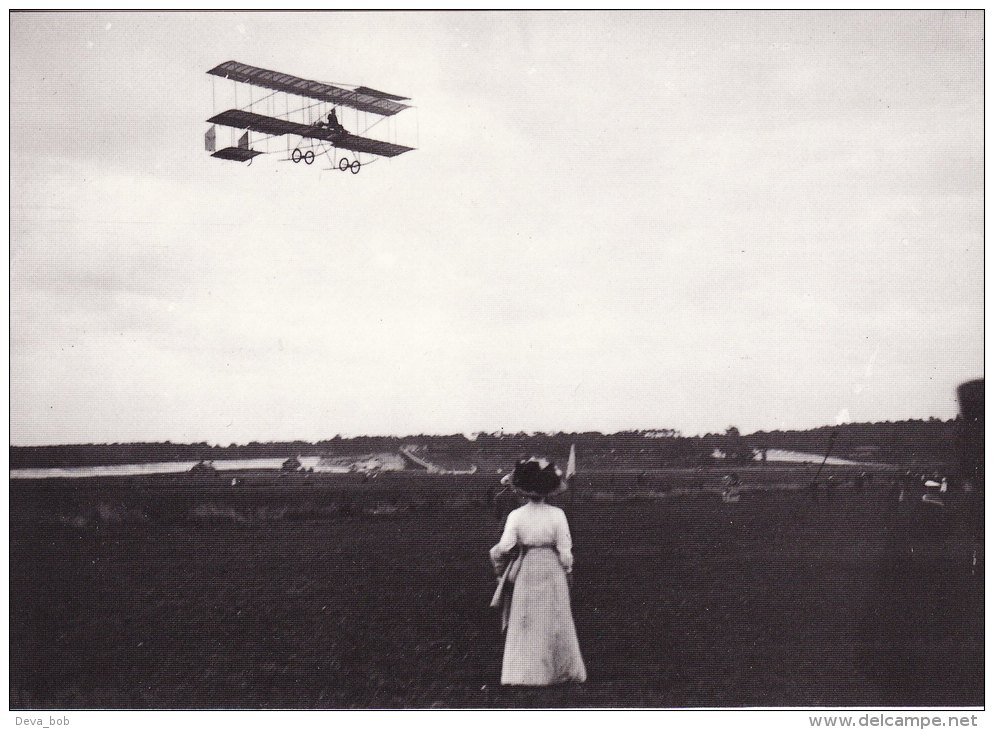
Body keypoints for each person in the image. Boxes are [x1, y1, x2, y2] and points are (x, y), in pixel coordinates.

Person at [489, 458, 587, 686]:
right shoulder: (557, 515)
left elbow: (504, 546)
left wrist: (510, 559)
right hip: (551, 566)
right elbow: (565, 549)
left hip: (528, 567)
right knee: (556, 617)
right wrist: (568, 569)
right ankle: (560, 671)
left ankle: (527, 673)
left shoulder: (516, 516)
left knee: (526, 620)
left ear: (522, 489)